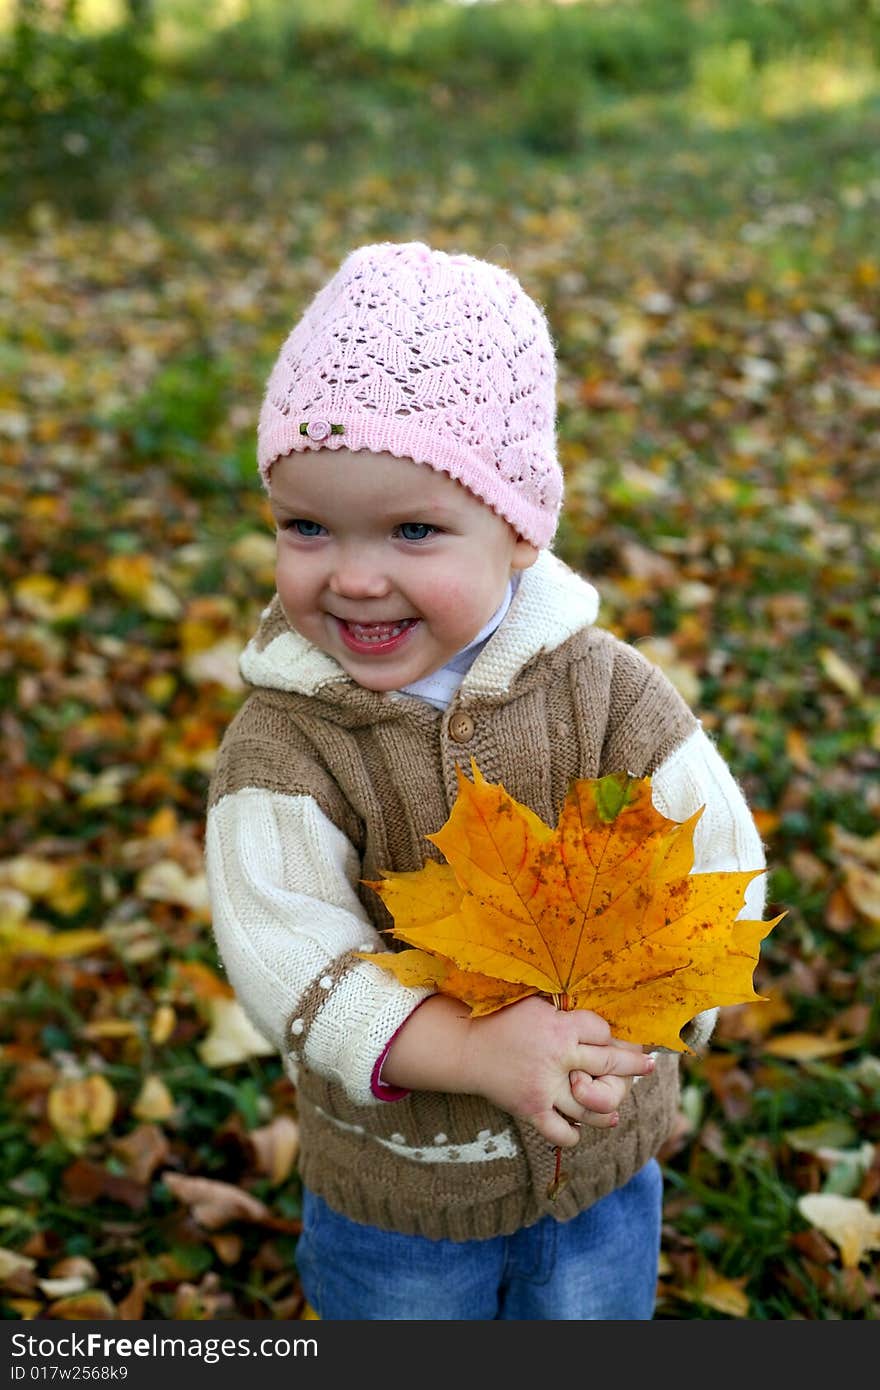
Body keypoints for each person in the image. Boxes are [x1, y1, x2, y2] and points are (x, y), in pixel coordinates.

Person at [205, 241, 767, 1320]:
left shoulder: (605, 693)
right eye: (304, 526)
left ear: (517, 530)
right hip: (398, 1199)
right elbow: (286, 949)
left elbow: (716, 853)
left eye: (413, 529)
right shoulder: (285, 745)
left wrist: (644, 1027)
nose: (355, 574)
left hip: (600, 1165)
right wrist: (462, 1049)